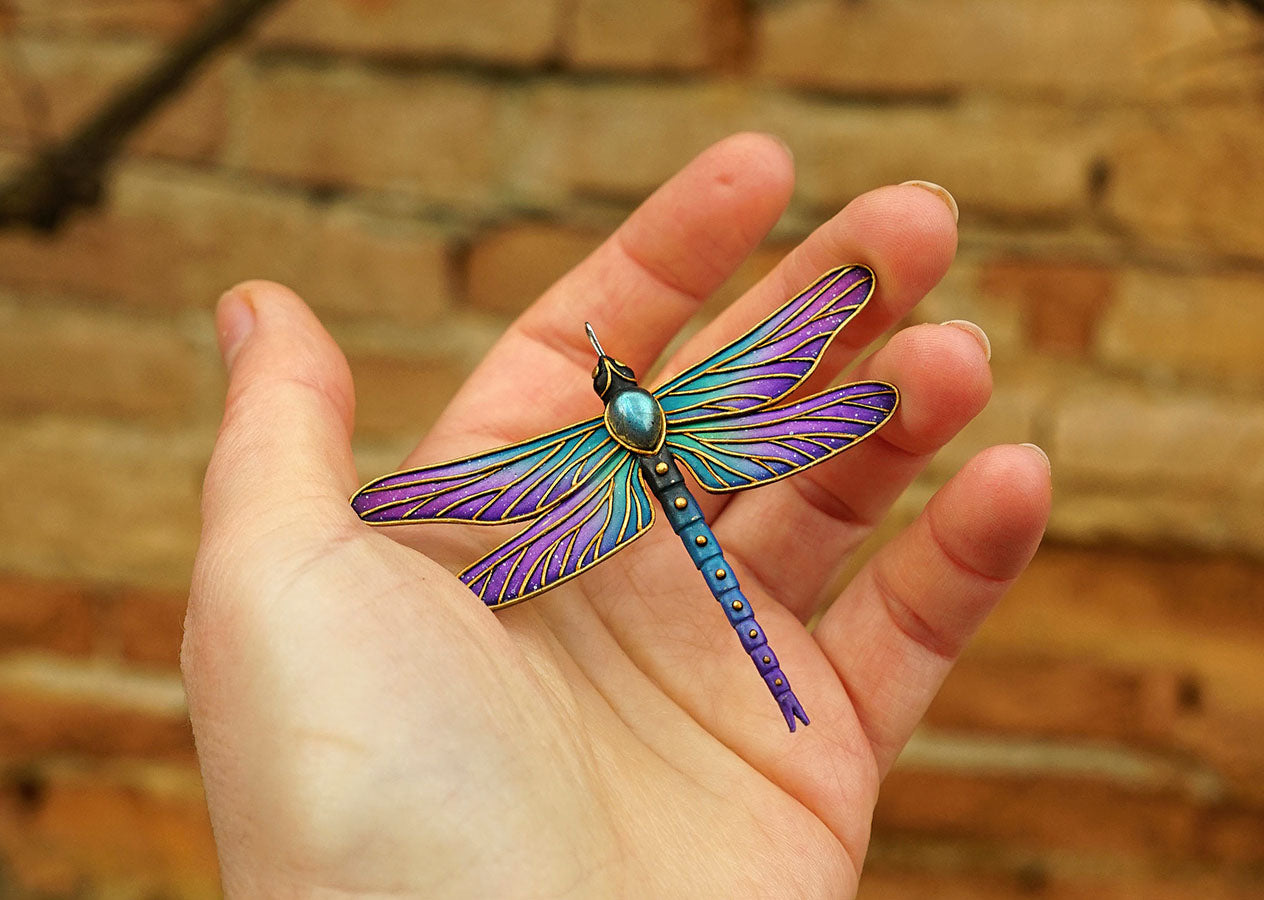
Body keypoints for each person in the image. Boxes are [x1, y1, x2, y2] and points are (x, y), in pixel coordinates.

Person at [182, 133, 1051, 897]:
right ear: (632, 395)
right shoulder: (682, 405)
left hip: (640, 492)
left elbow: (436, 498)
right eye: (615, 382)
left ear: (611, 403)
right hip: (703, 452)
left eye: (615, 382)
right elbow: (812, 331)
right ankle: (782, 695)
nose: (617, 387)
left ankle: (779, 698)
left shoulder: (587, 451)